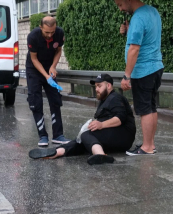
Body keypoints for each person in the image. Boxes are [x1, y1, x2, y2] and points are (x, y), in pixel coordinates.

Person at [29, 74, 136, 165]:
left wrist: (101, 125)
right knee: (81, 140)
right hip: (114, 135)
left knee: (86, 135)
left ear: (108, 86)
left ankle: (101, 155)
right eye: (95, 86)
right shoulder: (104, 101)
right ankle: (58, 152)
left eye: (99, 86)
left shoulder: (115, 97)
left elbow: (120, 119)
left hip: (124, 135)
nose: (96, 89)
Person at [114, 0, 164, 156]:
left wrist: (127, 75)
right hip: (156, 66)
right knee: (150, 106)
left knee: (144, 109)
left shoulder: (138, 18)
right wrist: (129, 31)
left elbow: (135, 48)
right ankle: (150, 144)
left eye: (120, 4)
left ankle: (147, 147)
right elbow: (148, 36)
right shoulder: (152, 11)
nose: (120, 9)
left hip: (143, 70)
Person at [26, 16, 70, 147]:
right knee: (36, 101)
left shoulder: (59, 33)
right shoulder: (33, 37)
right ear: (41, 28)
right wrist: (46, 76)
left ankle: (58, 135)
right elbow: (34, 59)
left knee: (55, 99)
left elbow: (58, 50)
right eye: (47, 32)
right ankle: (43, 136)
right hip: (34, 69)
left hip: (49, 68)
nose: (50, 35)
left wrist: (53, 66)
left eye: (52, 32)